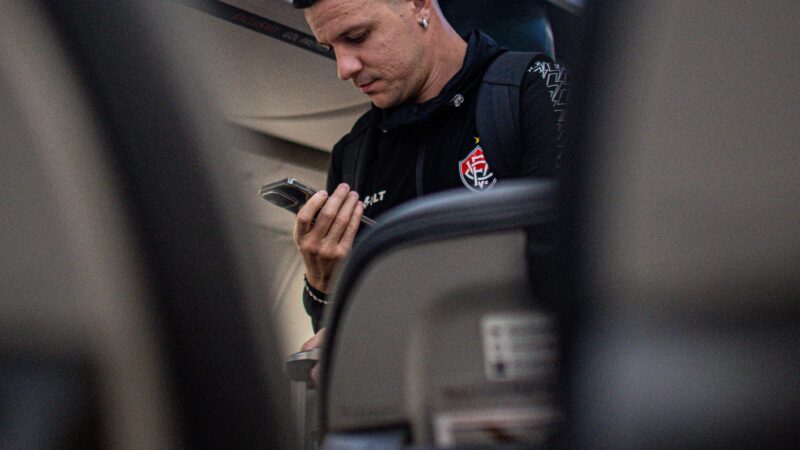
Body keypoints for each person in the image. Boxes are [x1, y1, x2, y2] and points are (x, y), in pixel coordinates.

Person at [294, 0, 569, 355]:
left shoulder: (533, 89)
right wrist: (322, 285)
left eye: (357, 36)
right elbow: (338, 339)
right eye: (331, 48)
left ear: (420, 4)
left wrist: (389, 335)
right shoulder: (354, 153)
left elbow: (563, 272)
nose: (344, 68)